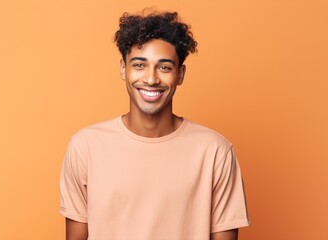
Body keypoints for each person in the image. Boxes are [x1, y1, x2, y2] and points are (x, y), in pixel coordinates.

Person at [60, 10, 250, 240]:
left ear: (180, 74)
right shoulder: (86, 147)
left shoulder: (215, 152)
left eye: (165, 67)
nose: (151, 79)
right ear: (123, 68)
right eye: (139, 65)